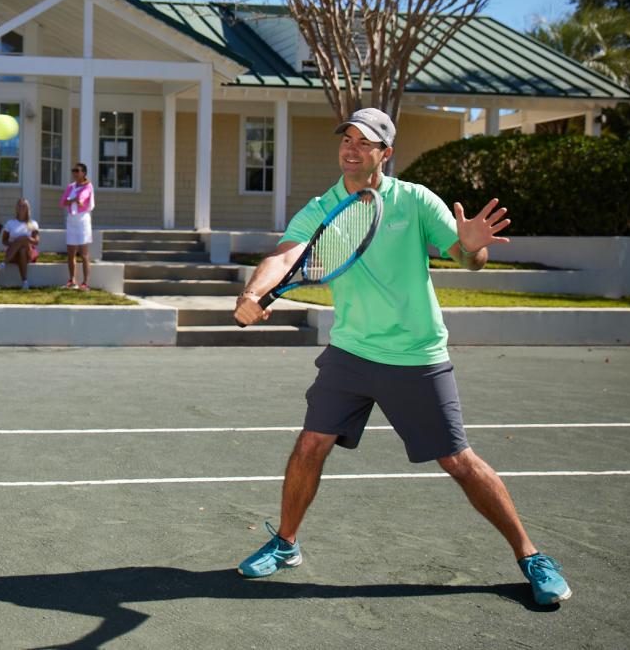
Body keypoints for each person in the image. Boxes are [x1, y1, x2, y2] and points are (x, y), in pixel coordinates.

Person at [231, 108, 571, 607]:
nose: (351, 148)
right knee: (310, 445)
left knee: (458, 460)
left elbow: (464, 255)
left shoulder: (413, 201)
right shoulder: (323, 206)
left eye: (364, 142)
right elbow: (285, 256)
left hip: (416, 354)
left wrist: (473, 248)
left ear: (385, 154)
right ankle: (285, 543)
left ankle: (531, 555)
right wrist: (254, 291)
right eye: (345, 139)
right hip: (351, 352)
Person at [59, 163, 94, 291]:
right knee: (70, 253)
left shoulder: (88, 186)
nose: (74, 173)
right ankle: (72, 280)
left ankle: (85, 283)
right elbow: (62, 202)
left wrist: (74, 200)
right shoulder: (70, 187)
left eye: (77, 171)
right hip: (71, 219)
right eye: (73, 170)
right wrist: (73, 200)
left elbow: (82, 200)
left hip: (82, 220)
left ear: (84, 173)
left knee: (84, 254)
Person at [0, 198, 39, 290]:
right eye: (19, 205)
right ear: (16, 208)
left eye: (24, 206)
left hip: (29, 252)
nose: (21, 208)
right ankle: (25, 282)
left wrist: (25, 239)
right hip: (13, 254)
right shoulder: (10, 223)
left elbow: (36, 242)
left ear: (27, 208)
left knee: (23, 242)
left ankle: (3, 264)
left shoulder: (33, 223)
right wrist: (15, 245)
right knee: (21, 249)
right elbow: (4, 241)